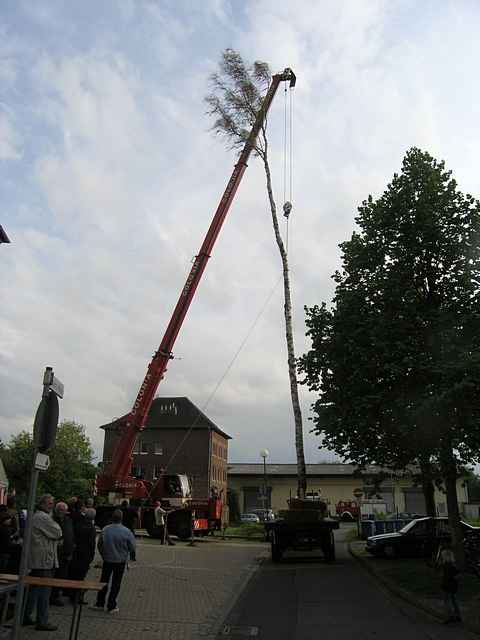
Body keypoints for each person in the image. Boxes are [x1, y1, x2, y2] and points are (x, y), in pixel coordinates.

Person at [23, 494, 63, 632]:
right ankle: (42, 621)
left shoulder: (37, 516)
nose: (51, 506)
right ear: (42, 504)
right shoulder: (43, 517)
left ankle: (25, 616)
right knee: (44, 593)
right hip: (43, 561)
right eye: (50, 503)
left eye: (52, 503)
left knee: (34, 591)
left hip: (39, 560)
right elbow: (57, 532)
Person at [91, 509, 135, 613]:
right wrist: (128, 555)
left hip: (108, 560)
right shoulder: (127, 531)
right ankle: (112, 605)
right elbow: (132, 547)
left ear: (112, 518)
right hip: (120, 561)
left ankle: (100, 603)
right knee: (116, 583)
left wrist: (103, 555)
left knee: (103, 581)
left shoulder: (105, 529)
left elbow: (100, 545)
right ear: (121, 519)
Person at [68, 507, 96, 605]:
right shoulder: (91, 528)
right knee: (81, 576)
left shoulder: (78, 525)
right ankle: (77, 597)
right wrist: (92, 556)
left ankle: (71, 594)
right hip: (85, 555)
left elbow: (73, 537)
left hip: (76, 552)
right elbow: (92, 544)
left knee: (74, 574)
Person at [50, 502, 75, 606]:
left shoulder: (68, 520)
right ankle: (52, 597)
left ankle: (56, 595)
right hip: (55, 553)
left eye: (63, 510)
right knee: (54, 575)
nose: (61, 511)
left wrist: (72, 547)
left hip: (66, 553)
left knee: (62, 575)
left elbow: (71, 534)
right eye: (59, 509)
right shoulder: (52, 520)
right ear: (56, 510)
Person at [438, 544, 461, 624]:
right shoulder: (454, 566)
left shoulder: (446, 566)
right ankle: (458, 616)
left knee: (447, 602)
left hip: (447, 586)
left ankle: (449, 616)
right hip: (454, 586)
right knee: (454, 601)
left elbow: (445, 577)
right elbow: (458, 576)